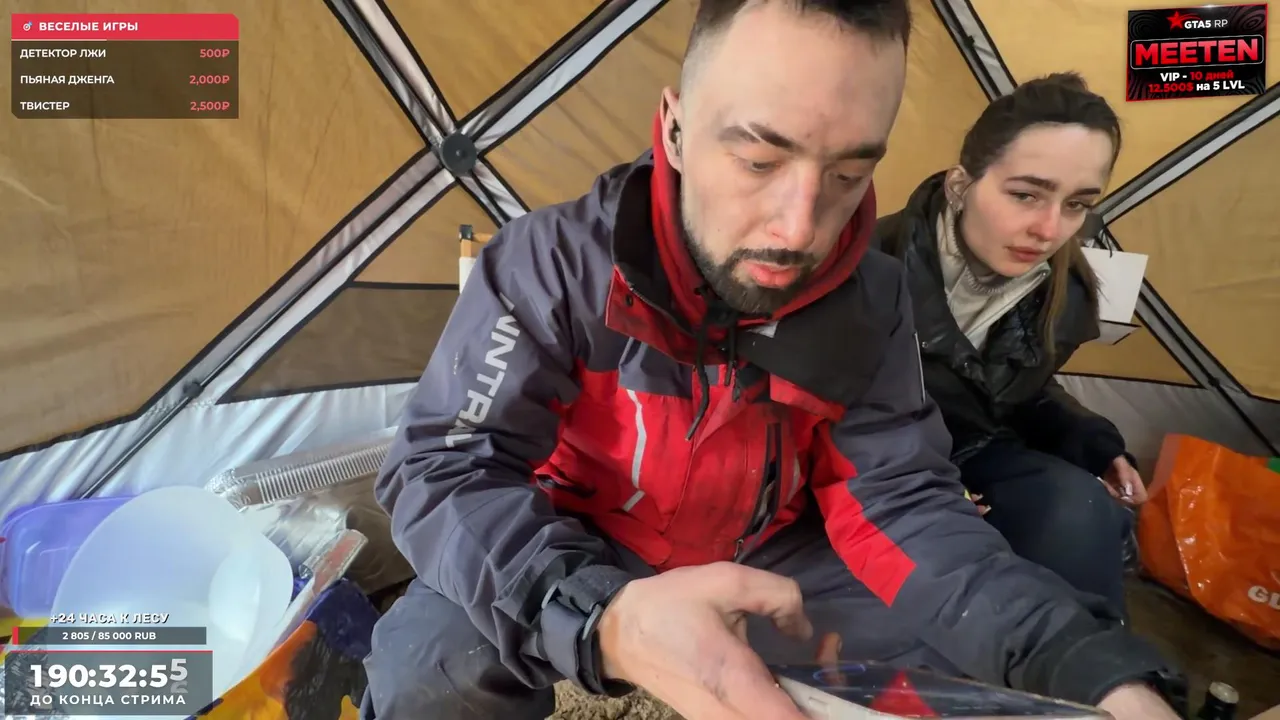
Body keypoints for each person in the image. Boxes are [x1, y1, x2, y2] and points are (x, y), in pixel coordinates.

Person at [360, 3, 1185, 720]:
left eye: (849, 173)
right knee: (429, 670)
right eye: (759, 160)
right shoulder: (551, 264)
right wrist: (598, 613)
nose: (798, 229)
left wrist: (1089, 665)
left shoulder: (872, 299)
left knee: (949, 660)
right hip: (570, 541)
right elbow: (446, 466)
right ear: (675, 128)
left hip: (770, 556)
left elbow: (900, 504)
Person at [873, 73, 1147, 621]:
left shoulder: (1065, 294)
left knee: (1080, 508)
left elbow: (1017, 391)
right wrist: (927, 487)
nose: (1049, 229)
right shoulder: (869, 264)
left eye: (1077, 204)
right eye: (1026, 195)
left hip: (973, 450)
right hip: (873, 462)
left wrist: (1094, 442)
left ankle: (1087, 665)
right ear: (961, 185)